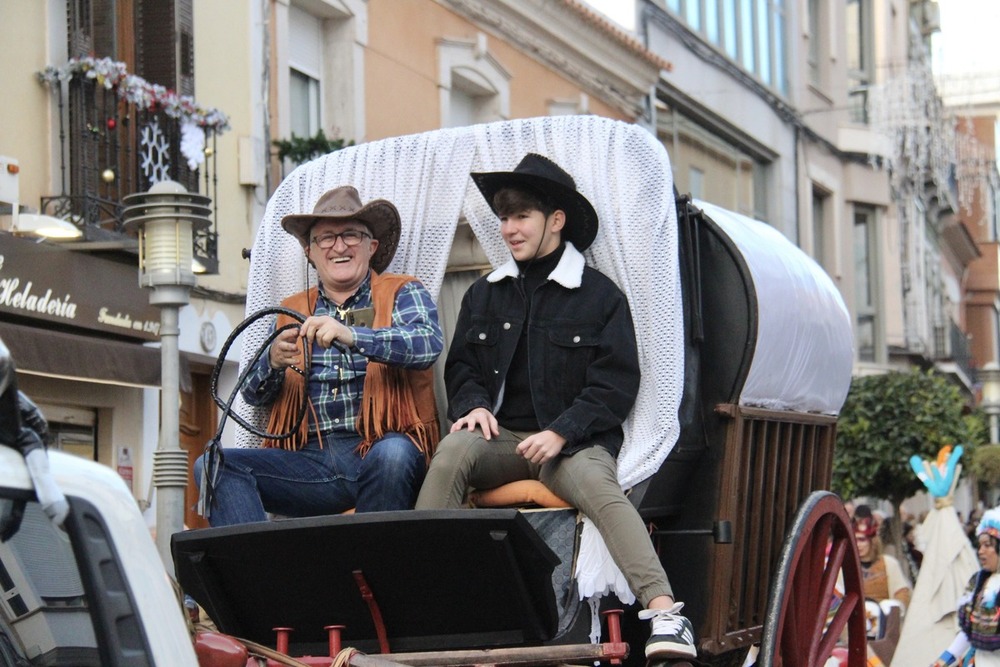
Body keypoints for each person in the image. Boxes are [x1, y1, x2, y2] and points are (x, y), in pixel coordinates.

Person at [414, 153, 696, 660]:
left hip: (575, 443)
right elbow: (462, 369)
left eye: (520, 216)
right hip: (502, 439)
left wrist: (563, 432)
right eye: (502, 217)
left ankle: (666, 615)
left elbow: (614, 385)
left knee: (597, 485)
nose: (508, 228)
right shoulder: (484, 293)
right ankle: (420, 600)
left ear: (556, 220)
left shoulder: (599, 296)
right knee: (453, 451)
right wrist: (474, 404)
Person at [195, 186, 443, 526]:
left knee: (395, 455)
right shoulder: (290, 310)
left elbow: (427, 343)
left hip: (380, 449)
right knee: (211, 463)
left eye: (351, 235)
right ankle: (257, 573)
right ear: (309, 251)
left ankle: (371, 571)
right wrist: (272, 363)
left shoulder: (403, 290)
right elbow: (252, 395)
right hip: (309, 462)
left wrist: (353, 335)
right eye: (326, 238)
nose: (339, 246)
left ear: (372, 246)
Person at [931, 507, 1000, 666]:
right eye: (980, 545)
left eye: (988, 545)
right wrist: (945, 660)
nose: (981, 551)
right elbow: (969, 633)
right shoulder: (978, 583)